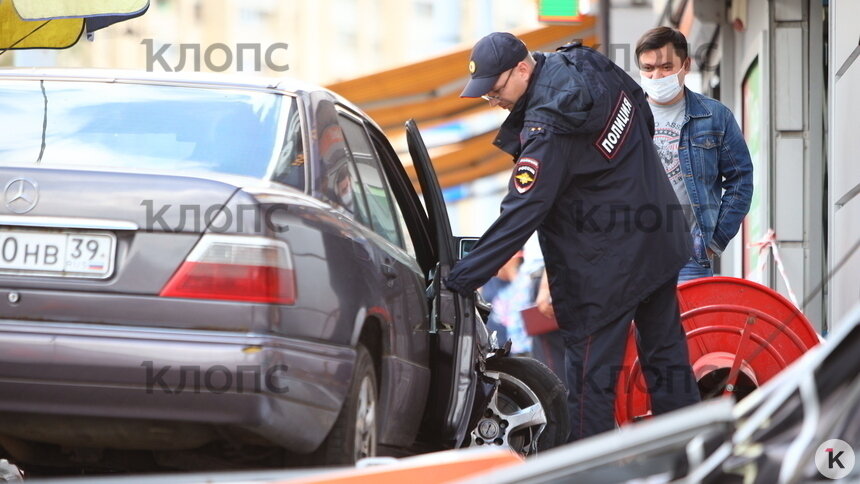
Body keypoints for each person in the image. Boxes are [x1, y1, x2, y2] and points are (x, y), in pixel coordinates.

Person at [444, 32, 701, 442]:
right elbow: (643, 114)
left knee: (588, 382)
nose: (494, 102)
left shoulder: (547, 125)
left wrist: (459, 278)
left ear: (523, 70)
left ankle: (589, 472)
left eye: (495, 91)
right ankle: (697, 454)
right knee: (666, 359)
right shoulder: (585, 62)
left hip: (606, 268)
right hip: (656, 239)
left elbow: (522, 212)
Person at [636, 27, 753, 282]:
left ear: (686, 65)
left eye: (667, 67)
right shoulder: (626, 118)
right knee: (642, 324)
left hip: (690, 256)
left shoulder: (715, 116)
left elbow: (741, 180)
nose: (656, 76)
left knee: (692, 324)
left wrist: (715, 241)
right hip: (635, 255)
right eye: (648, 68)